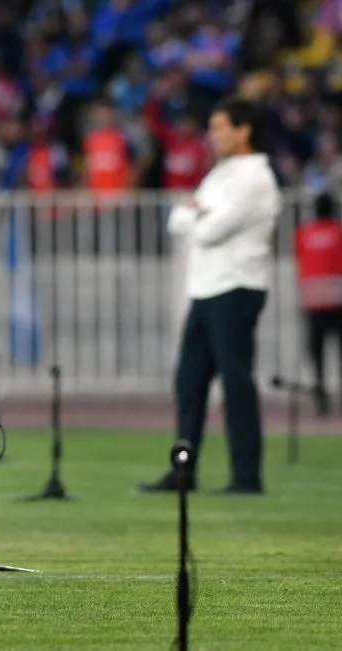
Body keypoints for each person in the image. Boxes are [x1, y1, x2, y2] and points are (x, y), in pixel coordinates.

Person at [140, 96, 281, 496]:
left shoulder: (255, 177)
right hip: (207, 288)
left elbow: (207, 230)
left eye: (220, 127)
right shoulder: (221, 174)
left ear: (244, 130)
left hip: (237, 286)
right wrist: (197, 213)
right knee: (189, 383)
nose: (212, 134)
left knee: (236, 382)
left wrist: (197, 213)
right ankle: (183, 471)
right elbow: (179, 219)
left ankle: (246, 475)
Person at [294, 192, 342, 416]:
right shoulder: (339, 233)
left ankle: (321, 397)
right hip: (337, 300)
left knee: (317, 353)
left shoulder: (303, 233)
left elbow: (301, 261)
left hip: (313, 301)